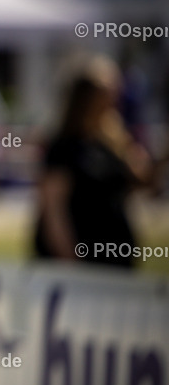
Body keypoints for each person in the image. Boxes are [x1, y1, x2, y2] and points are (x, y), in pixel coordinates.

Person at [34, 55, 153, 267]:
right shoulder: (64, 147)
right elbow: (54, 211)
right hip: (82, 262)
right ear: (85, 98)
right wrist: (70, 260)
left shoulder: (112, 140)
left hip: (115, 260)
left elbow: (141, 180)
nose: (114, 99)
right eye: (107, 92)